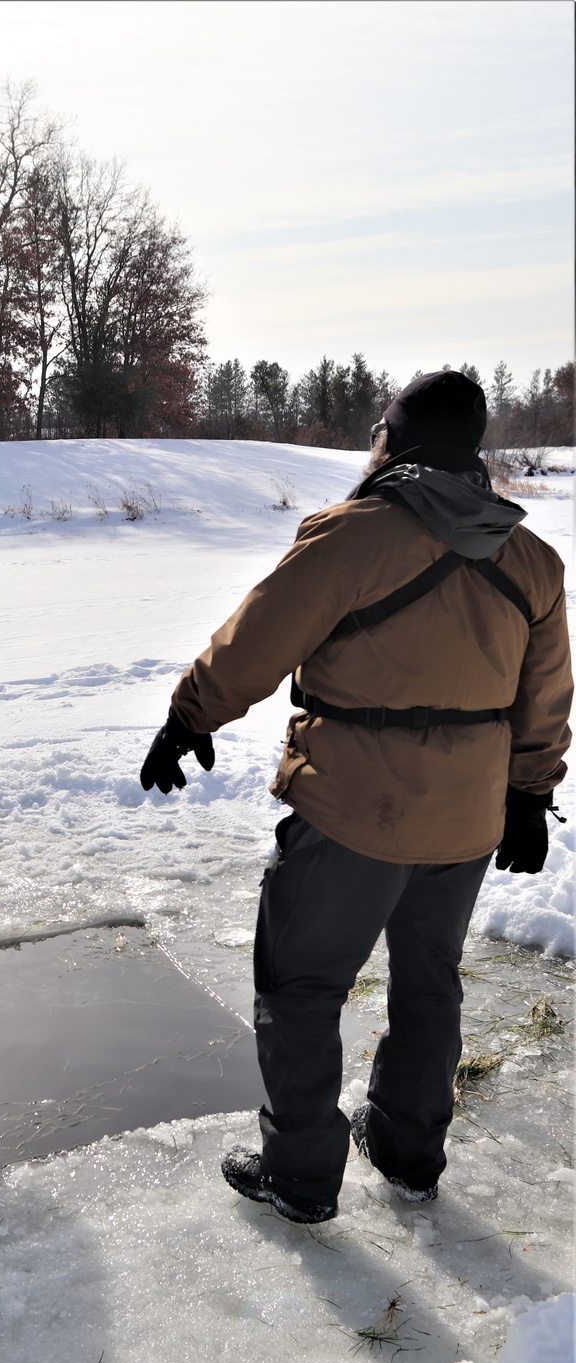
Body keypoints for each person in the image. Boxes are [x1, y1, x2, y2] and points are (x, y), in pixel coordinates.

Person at [139, 371, 572, 1224]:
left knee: (299, 988)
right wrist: (527, 795)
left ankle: (300, 1175)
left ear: (393, 439)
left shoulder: (350, 536)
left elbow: (256, 641)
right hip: (468, 817)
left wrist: (189, 716)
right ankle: (410, 1153)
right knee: (428, 983)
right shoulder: (531, 559)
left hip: (351, 814)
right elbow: (548, 695)